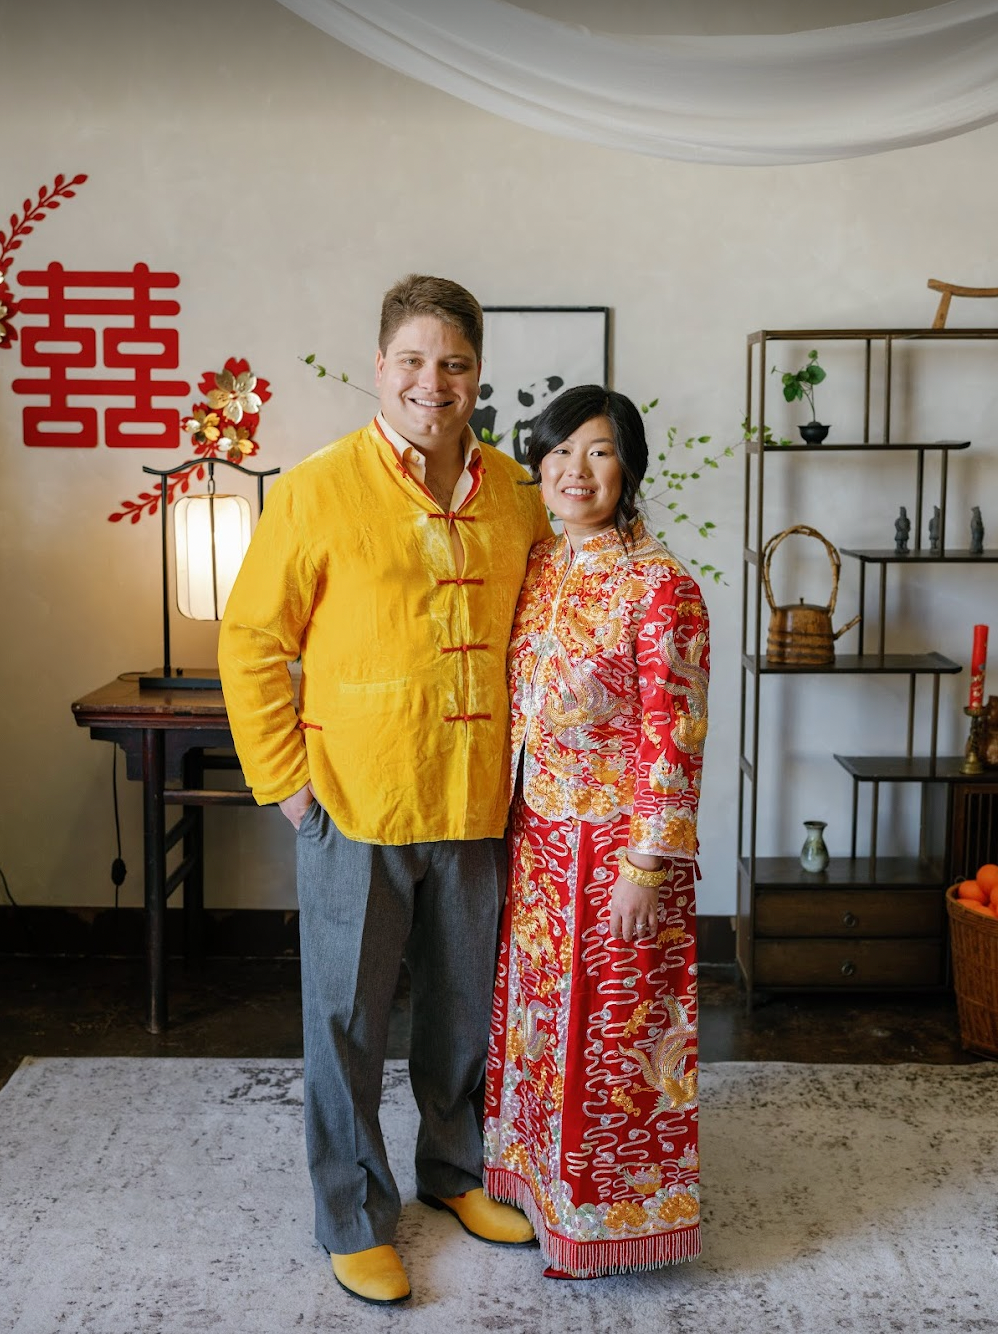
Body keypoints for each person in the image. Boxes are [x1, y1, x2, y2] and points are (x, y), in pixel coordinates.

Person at [218, 274, 550, 1306]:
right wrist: (283, 781)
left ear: (476, 375)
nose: (431, 381)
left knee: (463, 1013)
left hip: (476, 799)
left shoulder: (515, 492)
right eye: (412, 359)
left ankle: (453, 1172)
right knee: (346, 1020)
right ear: (379, 367)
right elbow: (249, 636)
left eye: (453, 363)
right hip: (352, 799)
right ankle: (353, 1211)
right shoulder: (316, 487)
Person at [483, 384, 709, 1279]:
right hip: (537, 839)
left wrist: (647, 866)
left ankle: (610, 1224)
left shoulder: (662, 587)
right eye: (560, 451)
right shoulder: (540, 565)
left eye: (600, 451)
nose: (576, 470)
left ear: (630, 467)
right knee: (541, 1032)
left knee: (613, 1043)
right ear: (538, 464)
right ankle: (535, 1194)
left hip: (619, 853)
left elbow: (675, 733)